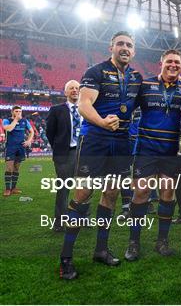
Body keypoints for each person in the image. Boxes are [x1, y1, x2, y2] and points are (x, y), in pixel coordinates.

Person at [58, 31, 143, 280]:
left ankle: (101, 249)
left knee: (111, 194)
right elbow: (84, 104)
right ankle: (66, 258)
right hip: (96, 139)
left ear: (134, 51)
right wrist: (103, 123)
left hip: (122, 142)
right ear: (111, 47)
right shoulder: (96, 71)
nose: (124, 48)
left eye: (129, 44)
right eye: (120, 44)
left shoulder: (136, 78)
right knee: (83, 195)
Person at [124, 49, 181, 261]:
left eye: (177, 63)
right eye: (169, 61)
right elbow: (127, 109)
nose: (173, 65)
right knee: (141, 193)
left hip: (172, 152)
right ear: (161, 62)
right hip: (146, 150)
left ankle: (162, 241)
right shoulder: (145, 86)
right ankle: (134, 242)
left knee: (167, 195)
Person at [45, 80, 81, 232]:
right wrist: (59, 147)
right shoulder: (56, 110)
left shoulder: (86, 109)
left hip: (84, 153)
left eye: (77, 88)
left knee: (85, 188)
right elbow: (49, 132)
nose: (74, 90)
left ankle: (81, 218)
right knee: (64, 188)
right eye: (71, 88)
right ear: (65, 92)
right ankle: (59, 222)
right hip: (66, 154)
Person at [3, 106, 34, 196]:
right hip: (10, 147)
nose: (18, 113)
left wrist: (28, 141)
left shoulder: (25, 121)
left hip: (21, 147)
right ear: (12, 112)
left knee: (16, 168)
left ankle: (13, 188)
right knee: (9, 168)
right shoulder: (7, 120)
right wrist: (16, 120)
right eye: (16, 111)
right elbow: (8, 129)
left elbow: (31, 131)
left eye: (20, 111)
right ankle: (7, 189)